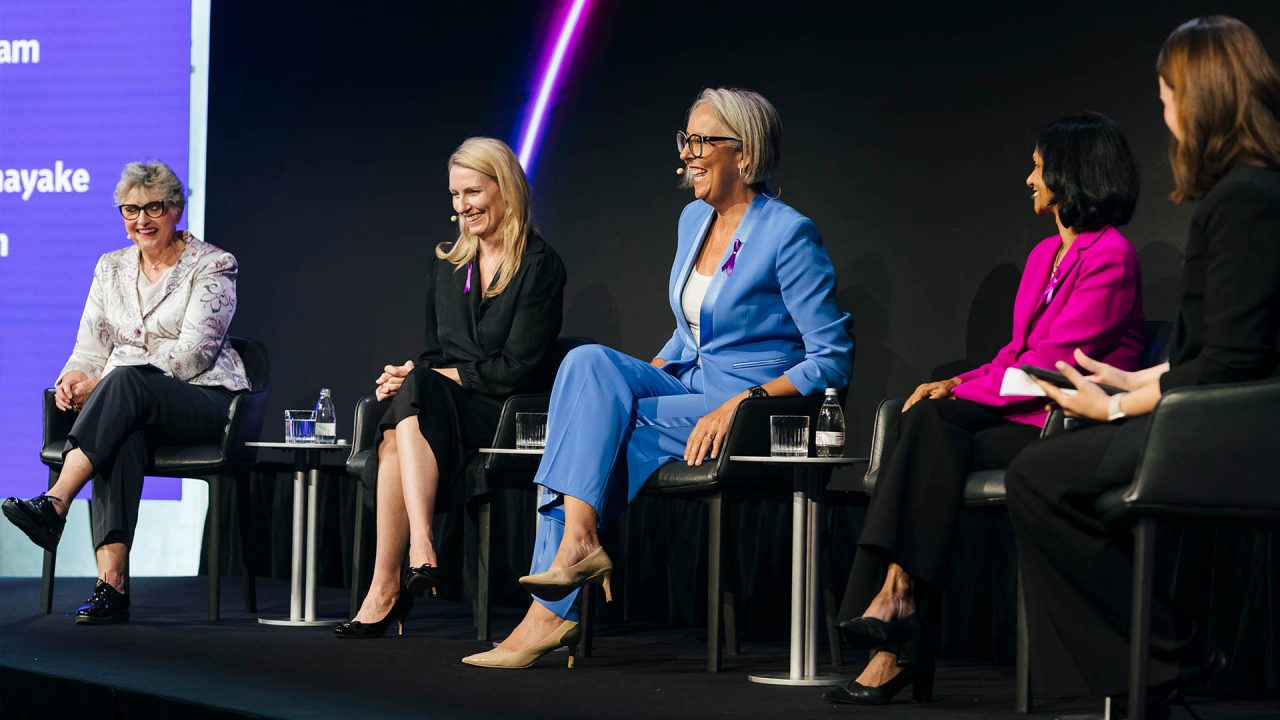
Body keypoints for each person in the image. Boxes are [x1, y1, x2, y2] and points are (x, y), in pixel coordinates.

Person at [460, 88, 854, 669]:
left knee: (604, 429)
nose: (687, 154)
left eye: (701, 141)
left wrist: (741, 402)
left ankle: (550, 611)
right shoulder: (693, 219)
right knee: (587, 364)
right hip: (689, 387)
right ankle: (578, 545)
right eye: (685, 140)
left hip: (747, 409)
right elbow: (688, 333)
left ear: (744, 154)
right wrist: (641, 376)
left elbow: (831, 358)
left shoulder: (788, 234)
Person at [1006, 16, 1280, 714]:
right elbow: (1211, 352)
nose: (1165, 116)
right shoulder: (1243, 193)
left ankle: (1167, 655)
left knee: (1039, 476)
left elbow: (1234, 365)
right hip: (1208, 412)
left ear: (1200, 99)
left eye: (1166, 98)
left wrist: (1116, 405)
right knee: (1044, 472)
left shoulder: (1247, 200)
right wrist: (1134, 378)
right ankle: (1157, 662)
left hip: (1232, 430)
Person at [826, 113, 1146, 705]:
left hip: (1065, 426)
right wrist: (955, 382)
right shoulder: (1045, 254)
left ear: (1071, 173)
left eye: (1037, 166)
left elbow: (1053, 364)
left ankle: (895, 630)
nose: (1029, 179)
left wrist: (959, 392)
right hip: (1017, 415)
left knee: (929, 426)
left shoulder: (1112, 256)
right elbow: (1014, 353)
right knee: (926, 422)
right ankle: (897, 609)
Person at [335, 137, 566, 638]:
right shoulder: (447, 264)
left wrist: (427, 379)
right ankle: (405, 567)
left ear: (506, 188)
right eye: (455, 196)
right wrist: (410, 374)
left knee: (404, 416)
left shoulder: (539, 265)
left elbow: (517, 369)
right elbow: (434, 353)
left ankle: (399, 571)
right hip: (442, 403)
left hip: (504, 412)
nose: (462, 206)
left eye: (473, 192)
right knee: (399, 418)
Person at [2, 161, 250, 624]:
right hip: (132, 405)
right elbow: (89, 348)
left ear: (175, 210)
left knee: (124, 383)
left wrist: (105, 382)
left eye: (154, 208)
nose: (142, 220)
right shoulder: (110, 267)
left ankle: (56, 501)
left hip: (204, 402)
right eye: (130, 210)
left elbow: (194, 353)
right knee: (121, 432)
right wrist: (74, 378)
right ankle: (111, 586)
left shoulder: (214, 264)